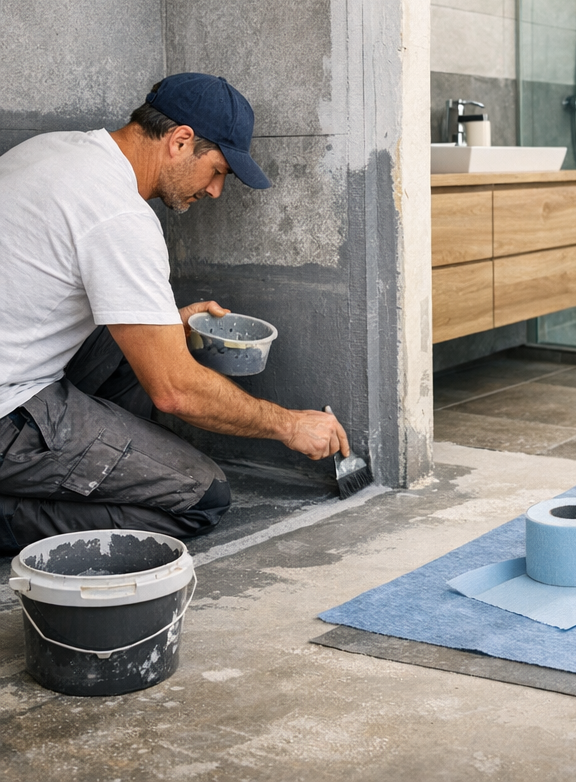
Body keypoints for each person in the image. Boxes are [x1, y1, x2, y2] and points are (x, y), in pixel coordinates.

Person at [0, 73, 348, 554]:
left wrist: (167, 323)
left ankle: (97, 460)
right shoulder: (119, 215)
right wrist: (289, 425)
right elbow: (175, 392)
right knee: (199, 498)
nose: (216, 190)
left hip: (14, 368)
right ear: (181, 140)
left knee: (152, 342)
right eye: (218, 170)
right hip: (8, 413)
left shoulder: (54, 150)